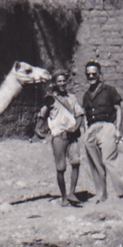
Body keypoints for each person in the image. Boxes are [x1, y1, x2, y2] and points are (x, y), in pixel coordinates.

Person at [81, 60, 123, 203]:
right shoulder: (86, 95)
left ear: (100, 74)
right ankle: (101, 194)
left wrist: (118, 129)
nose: (91, 77)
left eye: (94, 74)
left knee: (108, 160)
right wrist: (86, 130)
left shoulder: (109, 90)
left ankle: (122, 193)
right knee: (94, 163)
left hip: (107, 127)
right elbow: (84, 114)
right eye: (88, 74)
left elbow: (118, 109)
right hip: (91, 130)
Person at [38, 69, 84, 207]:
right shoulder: (50, 99)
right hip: (58, 136)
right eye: (59, 81)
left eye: (64, 81)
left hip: (72, 136)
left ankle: (72, 193)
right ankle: (64, 197)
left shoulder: (72, 98)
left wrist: (76, 127)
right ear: (55, 83)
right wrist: (38, 128)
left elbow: (79, 114)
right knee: (61, 167)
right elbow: (42, 114)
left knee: (76, 162)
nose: (62, 83)